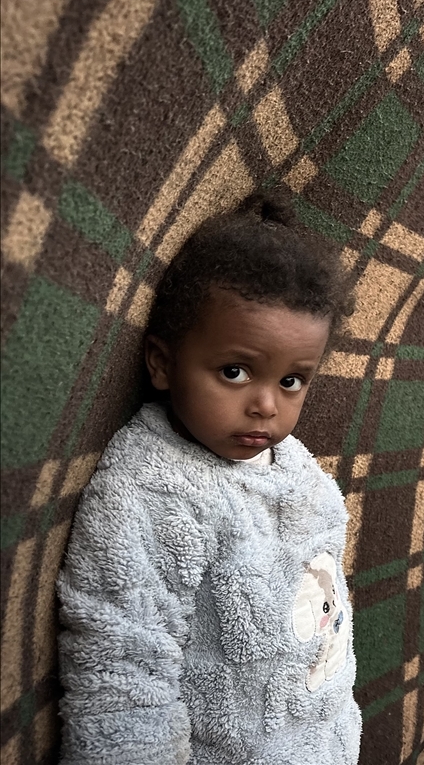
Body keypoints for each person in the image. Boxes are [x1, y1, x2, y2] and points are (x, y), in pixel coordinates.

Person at [56, 194, 361, 764]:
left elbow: (328, 631)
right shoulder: (148, 492)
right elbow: (122, 677)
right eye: (235, 371)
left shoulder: (303, 476)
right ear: (162, 363)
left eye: (293, 381)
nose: (266, 405)